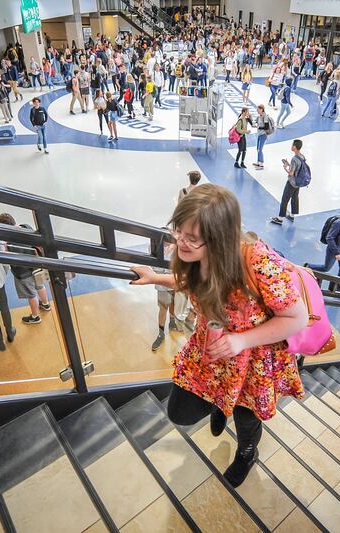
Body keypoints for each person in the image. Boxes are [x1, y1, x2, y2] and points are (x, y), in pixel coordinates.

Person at [130, 184, 309, 488]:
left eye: (191, 238)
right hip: (211, 348)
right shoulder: (198, 255)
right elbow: (198, 283)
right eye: (178, 232)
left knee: (245, 415)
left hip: (251, 359)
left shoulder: (257, 262)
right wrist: (155, 278)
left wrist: (240, 341)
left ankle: (247, 452)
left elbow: (298, 317)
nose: (180, 243)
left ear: (219, 239)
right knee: (181, 411)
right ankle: (220, 404)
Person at [0, 213, 51, 325]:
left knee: (31, 295)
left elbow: (9, 260)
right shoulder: (26, 227)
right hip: (38, 265)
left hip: (24, 273)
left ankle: (35, 317)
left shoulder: (9, 242)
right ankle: (45, 304)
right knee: (40, 286)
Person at [306, 200, 340, 277]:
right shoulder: (339, 223)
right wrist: (337, 252)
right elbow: (329, 238)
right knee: (326, 268)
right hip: (333, 250)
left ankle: (337, 288)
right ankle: (308, 266)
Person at [270, 139, 306, 225]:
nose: (291, 146)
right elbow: (297, 169)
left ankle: (280, 218)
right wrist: (289, 165)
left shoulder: (294, 159)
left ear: (295, 147)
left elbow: (291, 173)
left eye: (292, 145)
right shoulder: (302, 157)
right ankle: (292, 215)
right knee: (295, 198)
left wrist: (285, 167)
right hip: (298, 182)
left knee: (284, 199)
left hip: (292, 182)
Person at [253, 105, 274, 170]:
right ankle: (258, 162)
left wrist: (259, 127)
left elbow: (266, 127)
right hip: (259, 134)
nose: (257, 110)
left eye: (258, 109)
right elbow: (254, 122)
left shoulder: (265, 117)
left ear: (261, 109)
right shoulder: (259, 116)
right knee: (258, 149)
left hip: (263, 135)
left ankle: (261, 164)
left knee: (260, 149)